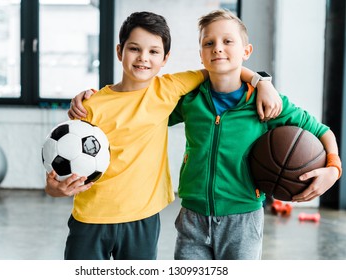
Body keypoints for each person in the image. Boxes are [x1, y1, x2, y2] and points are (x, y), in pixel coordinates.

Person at [48, 11, 281, 260]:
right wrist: (54, 189)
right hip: (89, 218)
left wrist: (261, 81)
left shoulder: (169, 89)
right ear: (119, 51)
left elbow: (221, 69)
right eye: (134, 49)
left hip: (143, 220)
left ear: (165, 58)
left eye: (153, 52)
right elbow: (60, 172)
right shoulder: (91, 105)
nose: (143, 58)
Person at [165, 9, 342, 260]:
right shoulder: (191, 100)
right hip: (192, 217)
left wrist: (333, 169)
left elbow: (323, 132)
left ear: (246, 51)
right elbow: (147, 114)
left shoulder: (267, 103)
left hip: (243, 219)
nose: (217, 48)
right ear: (201, 55)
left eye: (228, 41)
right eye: (209, 43)